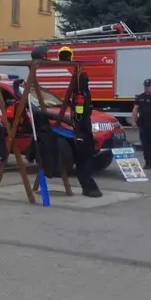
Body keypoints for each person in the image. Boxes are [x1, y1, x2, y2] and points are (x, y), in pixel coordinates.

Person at [58, 46, 102, 197]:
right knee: (84, 151)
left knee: (84, 152)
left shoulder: (78, 76)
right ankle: (88, 184)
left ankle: (88, 185)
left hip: (82, 122)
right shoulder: (77, 74)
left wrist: (77, 118)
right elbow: (80, 101)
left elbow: (80, 102)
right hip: (83, 121)